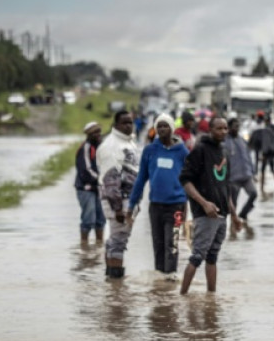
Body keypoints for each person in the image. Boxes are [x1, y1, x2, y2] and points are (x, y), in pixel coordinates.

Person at [178, 117, 242, 295]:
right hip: (206, 214)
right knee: (197, 256)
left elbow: (225, 186)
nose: (223, 132)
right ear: (210, 130)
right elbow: (185, 180)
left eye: (225, 128)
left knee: (212, 257)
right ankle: (182, 296)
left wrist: (234, 215)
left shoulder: (224, 151)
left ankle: (211, 297)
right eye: (219, 128)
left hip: (222, 215)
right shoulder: (200, 150)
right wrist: (204, 203)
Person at [126, 113, 190, 278]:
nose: (162, 129)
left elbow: (189, 179)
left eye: (165, 126)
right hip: (155, 206)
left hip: (176, 206)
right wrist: (131, 205)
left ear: (172, 128)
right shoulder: (150, 150)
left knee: (172, 244)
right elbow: (141, 179)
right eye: (159, 126)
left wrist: (188, 205)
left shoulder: (182, 151)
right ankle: (160, 281)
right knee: (158, 244)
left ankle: (171, 278)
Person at [97, 111, 140, 279]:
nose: (129, 126)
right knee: (118, 242)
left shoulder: (128, 143)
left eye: (130, 122)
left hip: (127, 200)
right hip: (119, 201)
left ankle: (111, 282)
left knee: (115, 240)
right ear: (116, 125)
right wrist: (118, 209)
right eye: (125, 123)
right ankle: (116, 287)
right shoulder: (111, 146)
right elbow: (110, 179)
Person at [74, 121, 106, 246]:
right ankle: (84, 245)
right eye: (95, 133)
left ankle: (99, 245)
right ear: (89, 134)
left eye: (99, 132)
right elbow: (85, 170)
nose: (98, 135)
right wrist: (100, 179)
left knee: (100, 219)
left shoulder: (100, 147)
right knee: (88, 218)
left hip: (98, 188)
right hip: (85, 188)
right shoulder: (85, 148)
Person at [223, 117, 258, 224]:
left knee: (253, 193)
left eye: (238, 126)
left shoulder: (242, 140)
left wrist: (253, 172)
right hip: (233, 178)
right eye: (235, 126)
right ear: (229, 128)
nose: (237, 128)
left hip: (246, 175)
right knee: (233, 203)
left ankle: (243, 213)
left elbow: (248, 156)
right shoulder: (224, 142)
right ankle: (233, 225)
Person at [250, 114, 274, 195]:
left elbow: (265, 143)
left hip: (267, 153)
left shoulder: (266, 130)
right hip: (273, 152)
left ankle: (262, 188)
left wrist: (263, 153)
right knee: (273, 170)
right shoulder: (273, 129)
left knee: (263, 170)